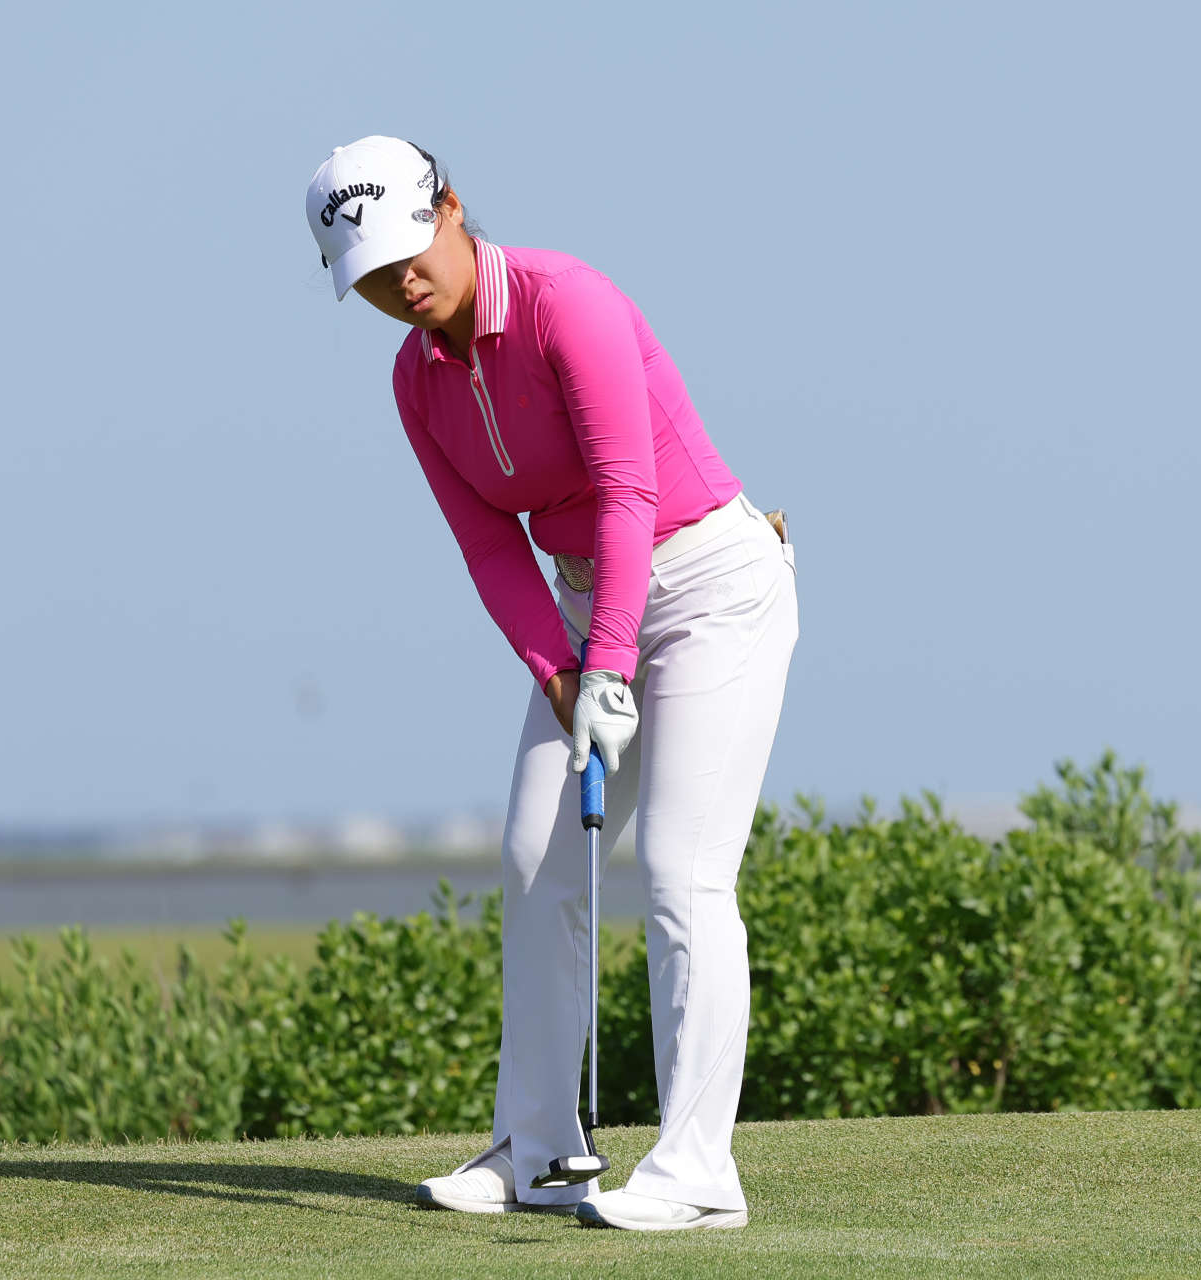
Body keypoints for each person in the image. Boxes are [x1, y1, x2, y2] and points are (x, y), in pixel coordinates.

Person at [304, 135, 798, 1232]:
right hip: (585, 614)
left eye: (407, 253)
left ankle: (698, 1169)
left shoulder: (566, 301)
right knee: (535, 859)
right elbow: (491, 548)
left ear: (454, 208)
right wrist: (563, 670)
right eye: (372, 277)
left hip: (712, 585)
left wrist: (608, 662)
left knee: (682, 868)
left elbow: (628, 489)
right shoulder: (415, 380)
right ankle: (540, 1147)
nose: (400, 285)